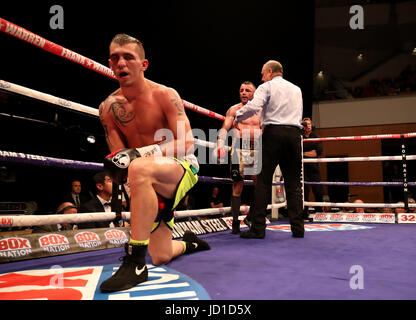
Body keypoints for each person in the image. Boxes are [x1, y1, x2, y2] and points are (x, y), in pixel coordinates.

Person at [98, 34, 210, 293]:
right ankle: (190, 244)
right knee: (161, 255)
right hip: (143, 177)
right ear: (110, 64)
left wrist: (141, 155)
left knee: (139, 166)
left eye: (129, 57)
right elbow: (120, 160)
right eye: (115, 58)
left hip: (181, 167)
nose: (121, 63)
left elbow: (187, 143)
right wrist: (133, 195)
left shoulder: (164, 95)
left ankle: (136, 263)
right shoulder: (108, 108)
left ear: (143, 64)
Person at [235, 60, 304, 239]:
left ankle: (258, 229)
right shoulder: (297, 89)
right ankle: (298, 229)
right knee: (294, 185)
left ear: (270, 71)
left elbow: (254, 107)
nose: (261, 77)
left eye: (263, 73)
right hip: (295, 136)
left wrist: (237, 115)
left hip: (273, 134)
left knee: (263, 181)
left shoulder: (267, 86)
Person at [215, 81, 261, 234]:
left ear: (254, 93)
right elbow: (225, 127)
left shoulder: (262, 111)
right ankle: (235, 222)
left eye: (247, 90)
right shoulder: (234, 110)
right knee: (237, 185)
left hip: (257, 146)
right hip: (239, 147)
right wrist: (220, 142)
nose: (244, 92)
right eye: (241, 90)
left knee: (260, 185)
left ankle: (251, 217)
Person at [302, 117, 324, 220]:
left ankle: (319, 212)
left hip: (314, 168)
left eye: (309, 124)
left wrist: (303, 153)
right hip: (303, 168)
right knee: (304, 192)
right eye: (305, 124)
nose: (307, 126)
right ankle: (304, 214)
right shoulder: (299, 137)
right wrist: (308, 152)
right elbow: (297, 152)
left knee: (318, 190)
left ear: (312, 125)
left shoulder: (316, 136)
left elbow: (317, 153)